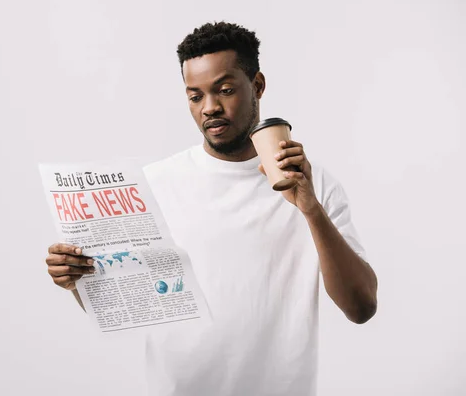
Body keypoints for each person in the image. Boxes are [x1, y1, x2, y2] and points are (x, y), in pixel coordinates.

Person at [45, 21, 378, 396]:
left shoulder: (314, 186)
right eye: (195, 96)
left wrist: (310, 209)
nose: (210, 108)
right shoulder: (154, 184)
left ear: (257, 86)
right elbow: (127, 306)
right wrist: (76, 278)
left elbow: (361, 307)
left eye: (224, 90)